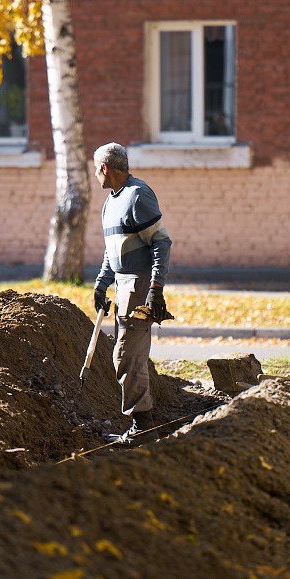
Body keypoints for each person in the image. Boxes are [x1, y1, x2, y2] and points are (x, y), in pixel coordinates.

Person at [92, 142, 172, 444]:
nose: (95, 174)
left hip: (139, 287)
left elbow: (161, 243)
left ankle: (143, 428)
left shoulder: (138, 195)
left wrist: (155, 289)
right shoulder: (110, 203)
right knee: (128, 355)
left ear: (105, 168)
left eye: (95, 169)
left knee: (126, 355)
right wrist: (102, 284)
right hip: (122, 284)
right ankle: (143, 422)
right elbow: (111, 250)